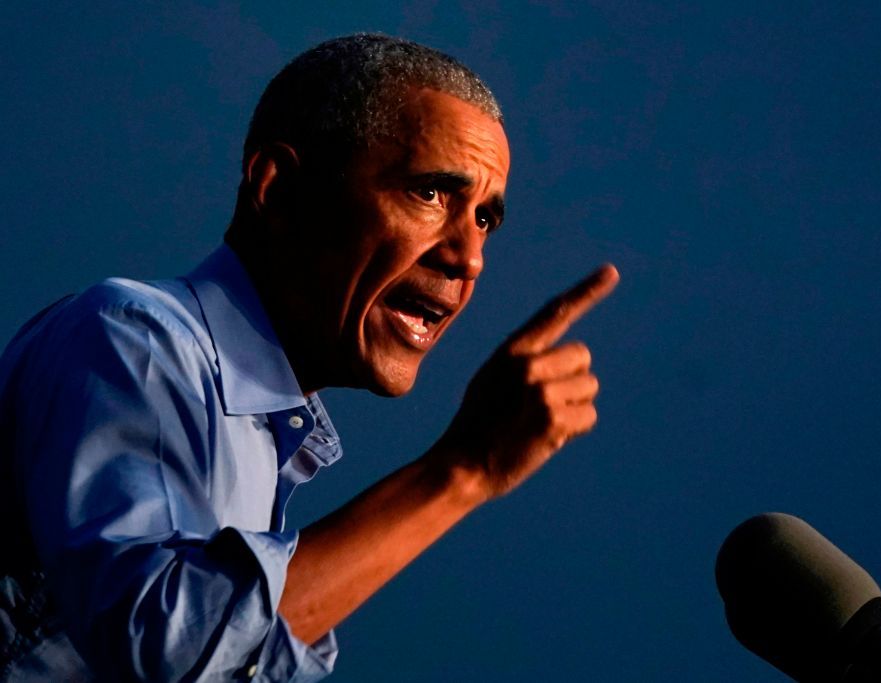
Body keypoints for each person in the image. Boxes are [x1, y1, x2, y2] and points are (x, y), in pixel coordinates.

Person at [0, 34, 618, 682]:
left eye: (485, 218)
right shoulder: (136, 337)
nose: (468, 257)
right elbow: (168, 651)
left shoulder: (262, 442)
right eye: (431, 194)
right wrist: (461, 470)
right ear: (279, 188)